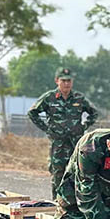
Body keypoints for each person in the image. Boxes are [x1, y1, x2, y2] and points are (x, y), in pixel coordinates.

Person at [28, 67, 99, 198]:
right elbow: (32, 112)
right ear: (57, 81)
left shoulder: (79, 98)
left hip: (75, 143)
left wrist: (84, 126)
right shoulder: (49, 98)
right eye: (63, 80)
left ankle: (74, 206)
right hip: (58, 144)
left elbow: (94, 112)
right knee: (57, 174)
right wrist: (47, 129)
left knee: (77, 173)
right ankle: (57, 204)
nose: (66, 83)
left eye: (69, 81)